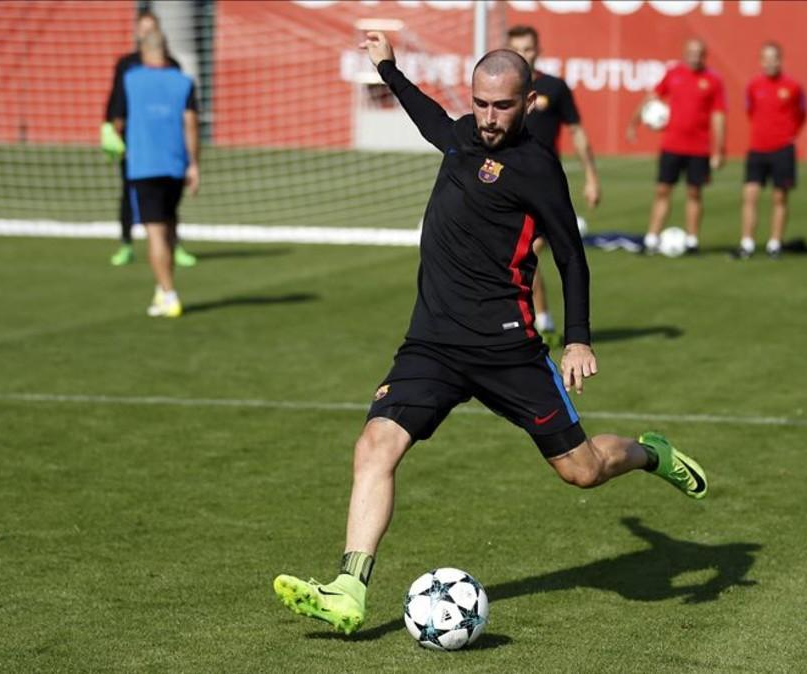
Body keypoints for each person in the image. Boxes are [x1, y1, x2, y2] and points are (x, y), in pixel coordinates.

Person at [272, 32, 708, 636]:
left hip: (508, 349)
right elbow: (428, 115)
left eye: (501, 106)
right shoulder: (459, 136)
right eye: (479, 103)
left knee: (581, 471)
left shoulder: (537, 169)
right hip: (432, 344)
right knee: (375, 445)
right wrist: (389, 69)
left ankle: (649, 452)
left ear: (528, 102)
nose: (487, 117)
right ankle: (348, 589)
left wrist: (577, 337)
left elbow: (572, 258)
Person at [506, 25, 601, 343]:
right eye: (517, 48)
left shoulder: (555, 88)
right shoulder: (502, 90)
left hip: (546, 187)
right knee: (522, 252)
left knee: (540, 250)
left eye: (528, 48)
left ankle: (542, 319)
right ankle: (539, 318)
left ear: (538, 49)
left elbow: (577, 132)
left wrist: (591, 177)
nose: (523, 54)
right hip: (509, 187)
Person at [110, 29, 200, 317]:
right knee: (170, 228)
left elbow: (118, 121)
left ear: (143, 50)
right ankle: (162, 291)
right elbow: (191, 125)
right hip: (175, 165)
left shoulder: (131, 79)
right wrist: (194, 164)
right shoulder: (183, 82)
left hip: (145, 165)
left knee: (156, 233)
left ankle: (170, 294)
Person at [627, 39, 726, 255]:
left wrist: (719, 149)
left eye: (699, 53)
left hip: (699, 148)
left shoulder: (713, 81)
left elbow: (718, 115)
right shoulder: (673, 73)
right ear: (684, 53)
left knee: (694, 193)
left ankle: (692, 241)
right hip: (672, 145)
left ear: (704, 55)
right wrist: (634, 122)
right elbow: (652, 96)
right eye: (691, 52)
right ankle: (652, 239)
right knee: (663, 190)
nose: (694, 56)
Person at [736, 42, 806, 260]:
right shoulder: (754, 86)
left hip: (782, 150)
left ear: (780, 60)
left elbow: (801, 114)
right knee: (750, 195)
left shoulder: (793, 87)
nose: (770, 62)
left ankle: (774, 243)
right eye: (765, 58)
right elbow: (750, 111)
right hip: (757, 148)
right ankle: (747, 243)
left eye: (774, 58)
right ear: (760, 61)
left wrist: (787, 134)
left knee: (780, 197)